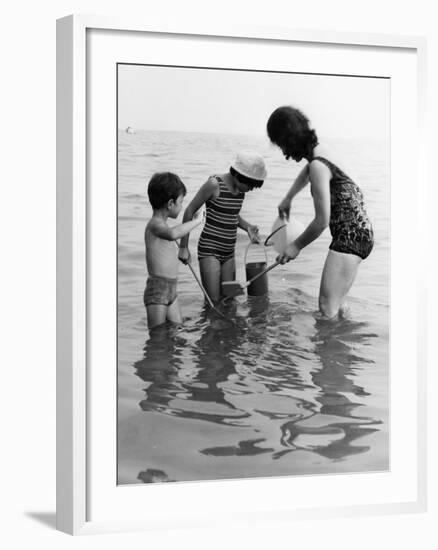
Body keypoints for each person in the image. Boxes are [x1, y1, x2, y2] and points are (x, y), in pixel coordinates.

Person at [267, 106, 374, 319]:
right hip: (361, 234)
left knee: (326, 308)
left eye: (282, 146)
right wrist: (289, 197)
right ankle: (345, 344)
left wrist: (295, 246)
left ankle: (329, 351)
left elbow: (321, 221)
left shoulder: (317, 165)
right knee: (337, 305)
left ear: (290, 139)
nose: (286, 155)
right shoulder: (322, 152)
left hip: (349, 238)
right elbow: (309, 170)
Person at [178, 151, 267, 303]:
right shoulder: (214, 184)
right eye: (250, 185)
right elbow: (190, 211)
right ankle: (210, 325)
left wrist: (248, 227)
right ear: (239, 176)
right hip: (209, 250)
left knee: (229, 299)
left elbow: (231, 214)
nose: (251, 189)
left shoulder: (240, 191)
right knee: (213, 301)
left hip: (229, 253)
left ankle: (226, 326)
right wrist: (183, 247)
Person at [144, 172, 204, 330]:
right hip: (157, 290)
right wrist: (197, 221)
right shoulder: (155, 224)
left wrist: (182, 254)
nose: (182, 206)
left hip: (171, 289)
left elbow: (165, 252)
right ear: (170, 203)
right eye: (181, 202)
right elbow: (172, 234)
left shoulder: (163, 225)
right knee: (157, 335)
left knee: (177, 328)